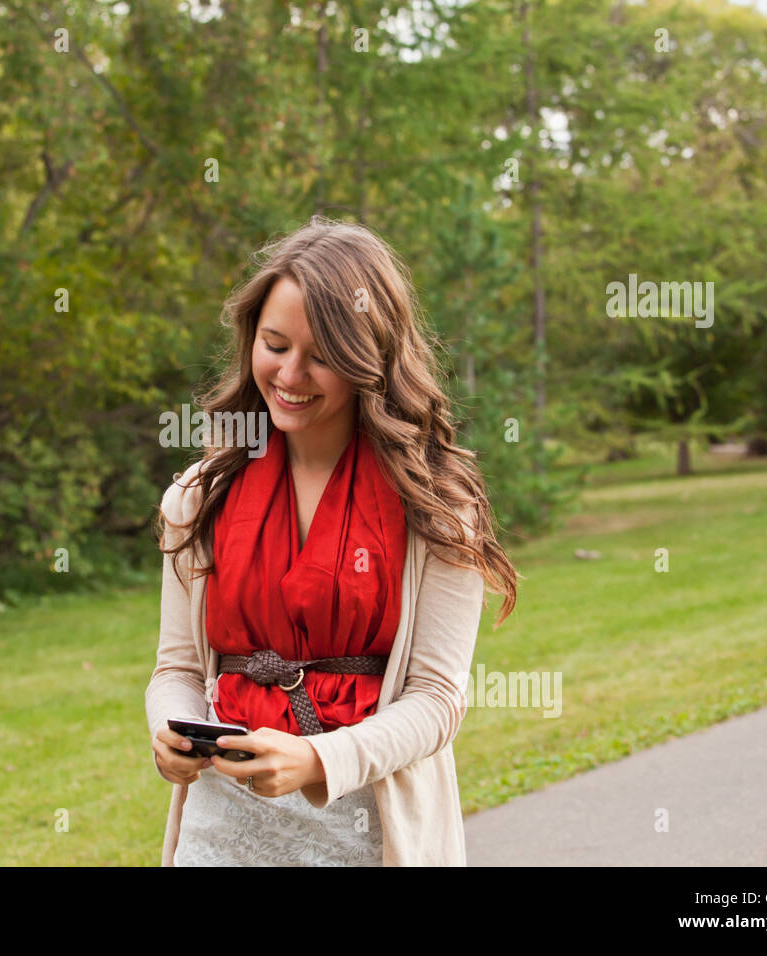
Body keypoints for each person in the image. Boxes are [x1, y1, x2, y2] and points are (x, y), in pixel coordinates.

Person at [146, 215, 518, 866]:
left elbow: (436, 701)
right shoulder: (198, 496)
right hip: (220, 833)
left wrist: (319, 759)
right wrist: (168, 726)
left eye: (321, 355)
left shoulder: (435, 505)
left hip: (365, 830)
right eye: (275, 343)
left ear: (368, 359)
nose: (290, 374)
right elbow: (176, 670)